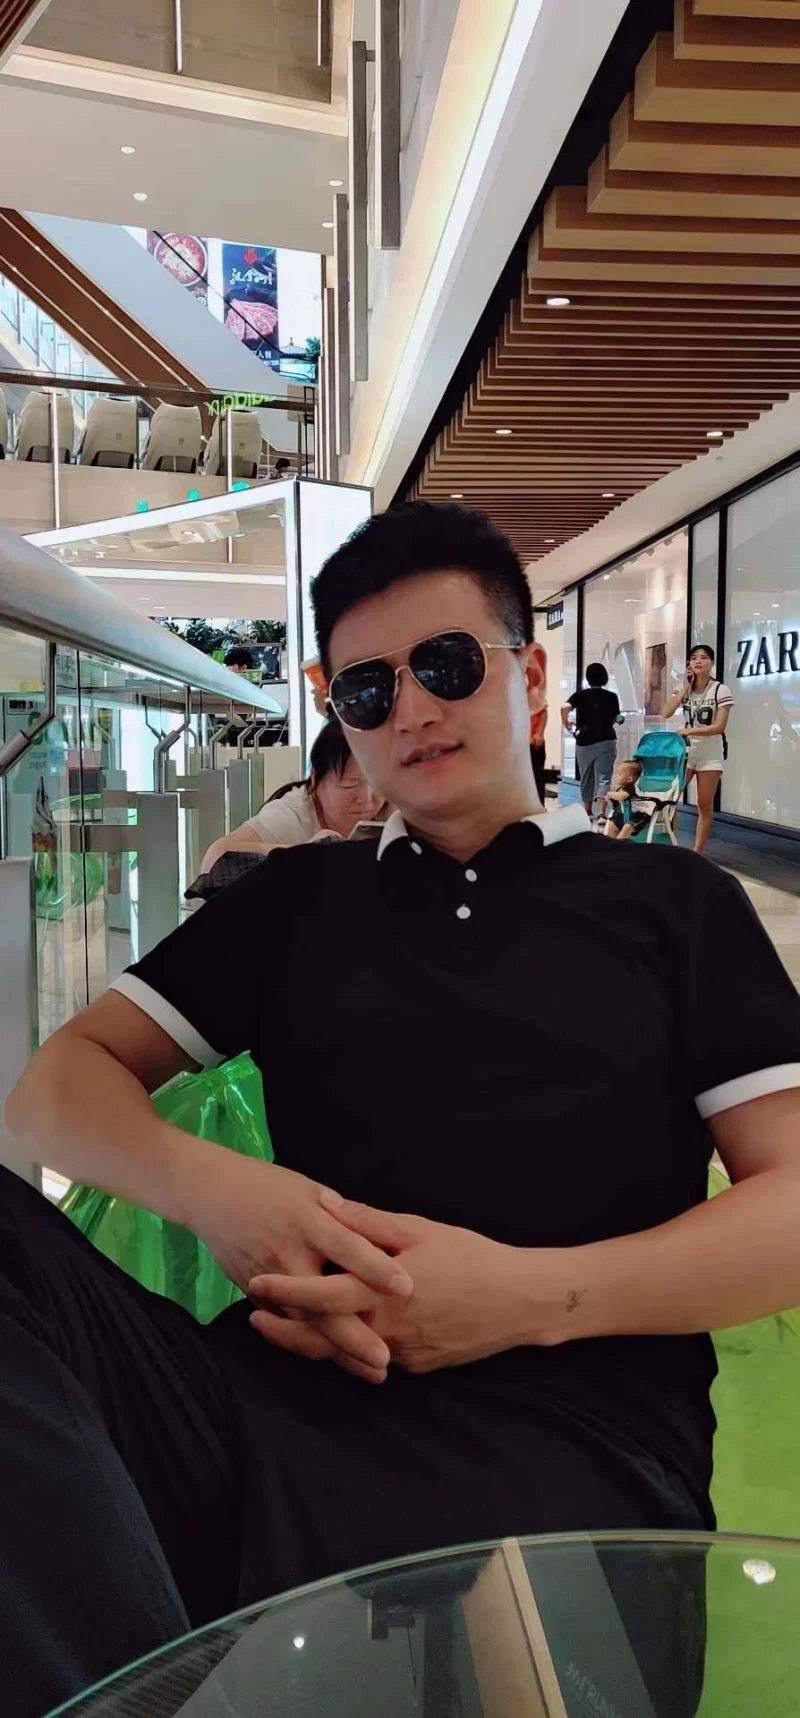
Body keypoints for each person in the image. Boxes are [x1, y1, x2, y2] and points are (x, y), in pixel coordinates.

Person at [4, 502, 800, 1718]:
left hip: (570, 1429)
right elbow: (56, 1087)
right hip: (263, 1401)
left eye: (445, 664)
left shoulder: (670, 904)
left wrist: (519, 1298)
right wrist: (228, 1197)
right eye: (369, 690)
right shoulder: (294, 902)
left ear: (526, 676)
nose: (411, 709)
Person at [199, 718, 386, 873]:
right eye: (350, 784)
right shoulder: (290, 817)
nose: (367, 799)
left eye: (377, 782)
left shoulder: (392, 803)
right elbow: (213, 860)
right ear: (316, 778)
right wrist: (305, 855)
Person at [663, 645, 733, 854]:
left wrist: (689, 730)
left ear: (712, 663)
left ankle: (697, 852)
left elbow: (719, 727)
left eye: (703, 658)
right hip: (685, 752)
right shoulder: (683, 687)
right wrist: (685, 687)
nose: (698, 661)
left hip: (710, 754)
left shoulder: (720, 689)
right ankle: (671, 847)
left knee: (704, 803)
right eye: (694, 658)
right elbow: (665, 712)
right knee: (668, 800)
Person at [561, 663, 621, 818]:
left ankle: (587, 810)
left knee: (586, 777)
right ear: (605, 677)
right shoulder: (611, 697)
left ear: (588, 678)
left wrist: (565, 721)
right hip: (606, 740)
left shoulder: (580, 695)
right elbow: (617, 717)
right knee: (604, 778)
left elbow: (565, 707)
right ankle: (601, 812)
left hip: (584, 741)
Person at [599, 759, 652, 841]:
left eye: (619, 774)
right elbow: (617, 800)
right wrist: (611, 799)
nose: (616, 776)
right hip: (622, 815)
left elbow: (622, 796)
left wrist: (610, 794)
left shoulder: (630, 788)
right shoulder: (621, 788)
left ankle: (620, 845)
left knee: (627, 827)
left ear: (629, 779)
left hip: (636, 816)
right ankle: (610, 844)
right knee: (612, 825)